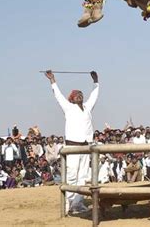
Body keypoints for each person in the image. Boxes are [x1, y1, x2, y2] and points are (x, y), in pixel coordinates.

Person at [45, 69, 99, 215]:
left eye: (81, 94)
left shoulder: (87, 108)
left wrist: (96, 82)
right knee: (72, 175)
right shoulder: (68, 108)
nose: (79, 96)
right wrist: (52, 80)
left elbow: (94, 96)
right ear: (72, 99)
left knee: (83, 176)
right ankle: (68, 203)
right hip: (73, 146)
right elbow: (58, 96)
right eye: (76, 95)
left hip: (86, 146)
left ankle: (78, 203)